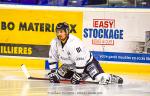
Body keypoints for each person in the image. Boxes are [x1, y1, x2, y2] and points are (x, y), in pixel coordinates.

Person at [47, 22, 123, 84]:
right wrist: (53, 71)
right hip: (70, 66)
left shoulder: (74, 43)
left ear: (66, 32)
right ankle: (83, 75)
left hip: (87, 64)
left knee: (100, 78)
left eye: (61, 32)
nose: (59, 34)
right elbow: (52, 57)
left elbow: (81, 60)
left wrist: (77, 75)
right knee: (56, 76)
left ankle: (110, 77)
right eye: (57, 32)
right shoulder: (54, 42)